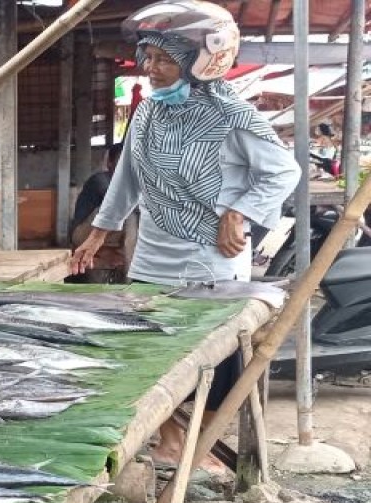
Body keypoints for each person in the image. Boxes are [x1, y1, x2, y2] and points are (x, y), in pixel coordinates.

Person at [71, 0, 301, 472]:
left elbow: (283, 172)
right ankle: (171, 441)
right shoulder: (150, 112)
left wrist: (239, 212)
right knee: (150, 349)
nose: (150, 68)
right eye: (148, 56)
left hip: (211, 262)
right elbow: (128, 178)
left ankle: (203, 444)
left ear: (202, 60)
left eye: (163, 58)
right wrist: (100, 231)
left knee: (212, 361)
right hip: (151, 258)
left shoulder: (236, 117)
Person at [67, 144, 132, 283]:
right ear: (109, 163)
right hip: (82, 234)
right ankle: (129, 269)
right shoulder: (100, 179)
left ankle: (115, 255)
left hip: (108, 235)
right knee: (129, 209)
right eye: (122, 161)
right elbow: (116, 201)